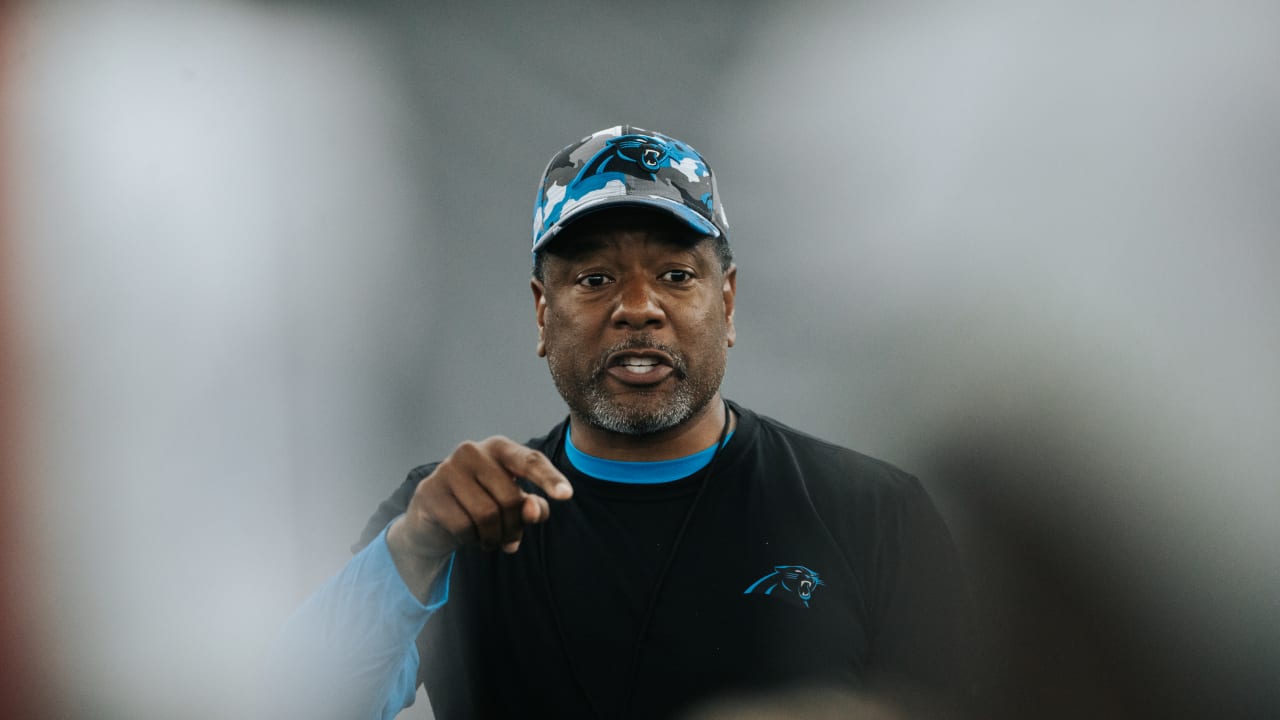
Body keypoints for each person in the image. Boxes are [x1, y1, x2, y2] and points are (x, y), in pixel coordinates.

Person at [272, 125, 969, 719]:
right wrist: (413, 549)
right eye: (595, 279)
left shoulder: (872, 513)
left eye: (675, 275)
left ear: (727, 302)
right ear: (543, 313)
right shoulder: (455, 516)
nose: (638, 307)